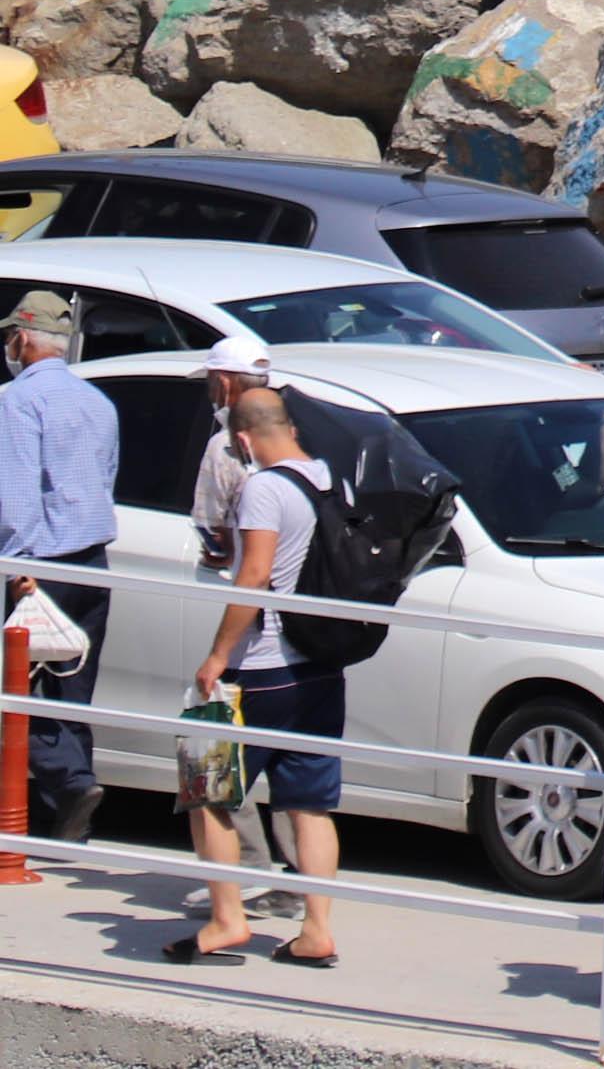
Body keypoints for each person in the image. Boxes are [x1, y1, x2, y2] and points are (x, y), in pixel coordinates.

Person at [170, 387, 342, 966]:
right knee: (309, 806)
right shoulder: (329, 479)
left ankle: (227, 921)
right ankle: (317, 931)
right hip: (320, 667)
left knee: (208, 789)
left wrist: (218, 654)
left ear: (242, 439)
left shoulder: (263, 488)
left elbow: (256, 576)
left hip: (261, 666)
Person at [185, 335, 299, 925]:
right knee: (294, 760)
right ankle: (298, 880)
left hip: (245, 627)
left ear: (225, 383)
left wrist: (217, 652)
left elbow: (215, 538)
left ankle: (244, 872)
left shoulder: (224, 448)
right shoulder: (301, 441)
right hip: (305, 631)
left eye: (211, 379)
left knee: (213, 751)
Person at [0, 285, 117, 844]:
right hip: (92, 561)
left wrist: (16, 566)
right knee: (73, 688)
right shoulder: (98, 401)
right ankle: (72, 823)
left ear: (23, 339)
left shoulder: (17, 400)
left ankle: (71, 786)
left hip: (39, 564)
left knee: (16, 686)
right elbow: (105, 478)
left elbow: (17, 494)